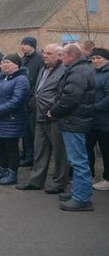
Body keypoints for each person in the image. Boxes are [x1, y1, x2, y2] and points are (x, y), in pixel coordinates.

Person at [15, 44, 68, 193]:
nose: (45, 56)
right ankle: (36, 181)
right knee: (40, 151)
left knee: (59, 153)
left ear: (59, 56)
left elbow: (63, 95)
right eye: (44, 53)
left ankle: (59, 183)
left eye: (49, 54)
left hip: (55, 117)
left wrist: (54, 109)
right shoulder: (43, 69)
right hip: (40, 115)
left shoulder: (64, 71)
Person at [49, 44, 95, 211]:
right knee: (75, 159)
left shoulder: (78, 71)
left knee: (78, 161)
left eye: (63, 55)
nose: (60, 58)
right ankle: (78, 192)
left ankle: (82, 198)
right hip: (73, 120)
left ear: (72, 56)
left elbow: (70, 97)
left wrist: (54, 112)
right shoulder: (79, 69)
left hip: (74, 121)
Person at [0, 53, 30, 185]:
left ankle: (12, 173)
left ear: (17, 64)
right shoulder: (0, 77)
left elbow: (17, 100)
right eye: (3, 63)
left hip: (11, 119)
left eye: (7, 62)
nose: (4, 65)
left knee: (11, 147)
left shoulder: (21, 79)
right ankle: (3, 169)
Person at [20, 36, 45, 167]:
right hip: (23, 99)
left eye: (25, 44)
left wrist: (32, 94)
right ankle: (25, 153)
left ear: (32, 45)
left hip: (33, 101)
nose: (22, 46)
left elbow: (40, 79)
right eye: (22, 44)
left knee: (32, 130)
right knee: (24, 129)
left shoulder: (39, 60)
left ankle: (33, 156)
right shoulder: (23, 59)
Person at [88, 47, 109, 191]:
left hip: (105, 122)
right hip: (90, 121)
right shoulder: (93, 73)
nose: (95, 61)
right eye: (93, 58)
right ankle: (89, 176)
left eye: (98, 58)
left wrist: (93, 107)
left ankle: (107, 179)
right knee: (88, 149)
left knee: (106, 151)